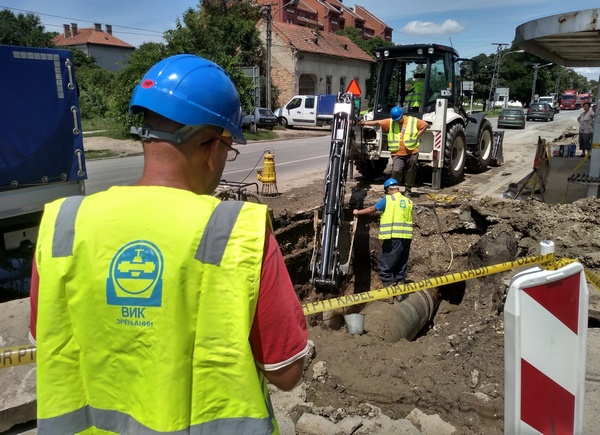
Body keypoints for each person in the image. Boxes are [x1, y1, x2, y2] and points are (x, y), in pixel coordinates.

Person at [29, 54, 309, 434]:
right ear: (212, 149)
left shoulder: (64, 224)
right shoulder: (238, 231)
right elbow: (286, 371)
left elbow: (43, 336)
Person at [353, 178, 414, 303]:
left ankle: (388, 295)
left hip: (393, 238)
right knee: (401, 265)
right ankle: (400, 294)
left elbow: (371, 209)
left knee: (385, 266)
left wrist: (358, 212)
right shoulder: (408, 201)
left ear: (388, 190)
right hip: (406, 238)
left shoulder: (388, 199)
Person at [359, 106, 429, 196]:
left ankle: (408, 190)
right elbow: (377, 122)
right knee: (396, 171)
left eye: (398, 119)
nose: (396, 121)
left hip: (412, 151)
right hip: (397, 152)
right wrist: (364, 123)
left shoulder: (412, 121)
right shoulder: (391, 122)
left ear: (402, 115)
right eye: (395, 119)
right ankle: (393, 190)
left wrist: (417, 135)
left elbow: (425, 125)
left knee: (410, 171)